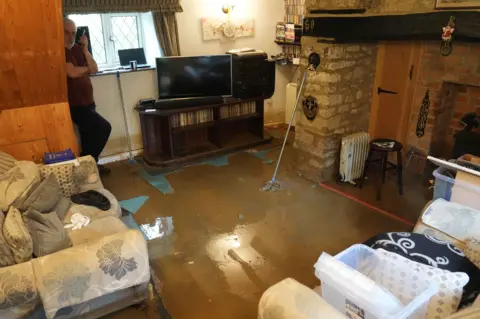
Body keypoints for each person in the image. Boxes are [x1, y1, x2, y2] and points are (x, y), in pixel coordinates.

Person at [64, 17, 112, 174]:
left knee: (88, 136)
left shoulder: (78, 49)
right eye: (66, 32)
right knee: (103, 127)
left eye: (73, 33)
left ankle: (91, 165)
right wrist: (87, 69)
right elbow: (71, 72)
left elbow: (95, 67)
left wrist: (85, 49)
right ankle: (87, 165)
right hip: (75, 105)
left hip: (88, 101)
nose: (70, 36)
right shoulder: (58, 51)